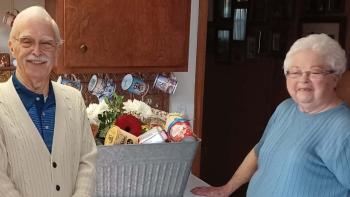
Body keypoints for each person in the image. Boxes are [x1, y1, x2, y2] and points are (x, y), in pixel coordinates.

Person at [192, 33, 350, 197]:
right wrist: (227, 189)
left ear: (335, 77)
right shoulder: (286, 109)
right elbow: (258, 152)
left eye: (315, 72)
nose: (303, 79)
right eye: (294, 72)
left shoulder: (343, 129)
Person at [0, 6, 97, 197]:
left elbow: (88, 161)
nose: (37, 51)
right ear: (12, 46)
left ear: (57, 50)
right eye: (27, 42)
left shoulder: (74, 100)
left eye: (46, 43)